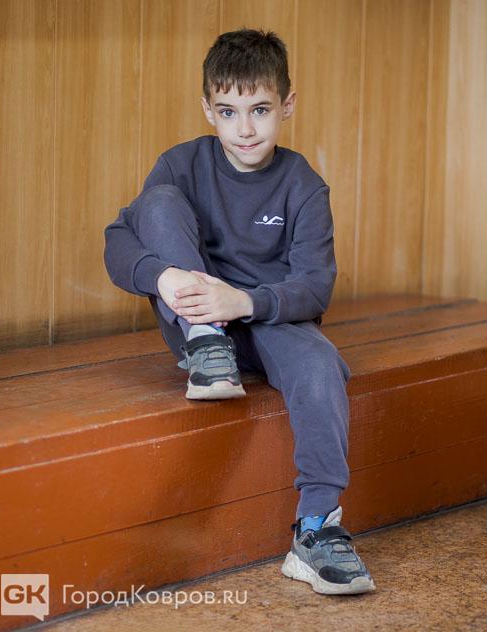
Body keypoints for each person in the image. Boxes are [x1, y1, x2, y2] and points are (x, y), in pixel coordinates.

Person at [103, 29, 375, 595]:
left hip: (271, 321)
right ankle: (208, 347)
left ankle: (316, 529)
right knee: (156, 204)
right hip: (198, 326)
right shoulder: (181, 165)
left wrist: (246, 300)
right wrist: (165, 278)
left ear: (287, 105)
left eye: (260, 110)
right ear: (209, 109)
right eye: (228, 112)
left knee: (321, 364)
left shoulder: (304, 186)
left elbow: (314, 288)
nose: (245, 129)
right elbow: (117, 241)